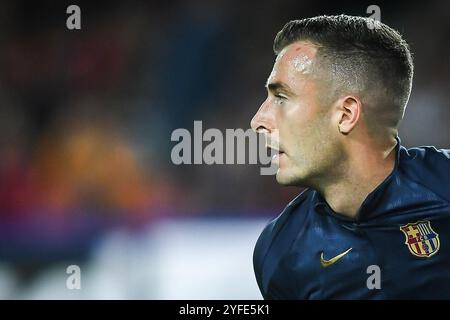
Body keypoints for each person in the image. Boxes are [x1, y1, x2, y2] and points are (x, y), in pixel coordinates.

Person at [250, 14, 450, 299]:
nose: (258, 120)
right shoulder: (281, 252)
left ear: (345, 115)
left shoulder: (443, 186)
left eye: (281, 98)